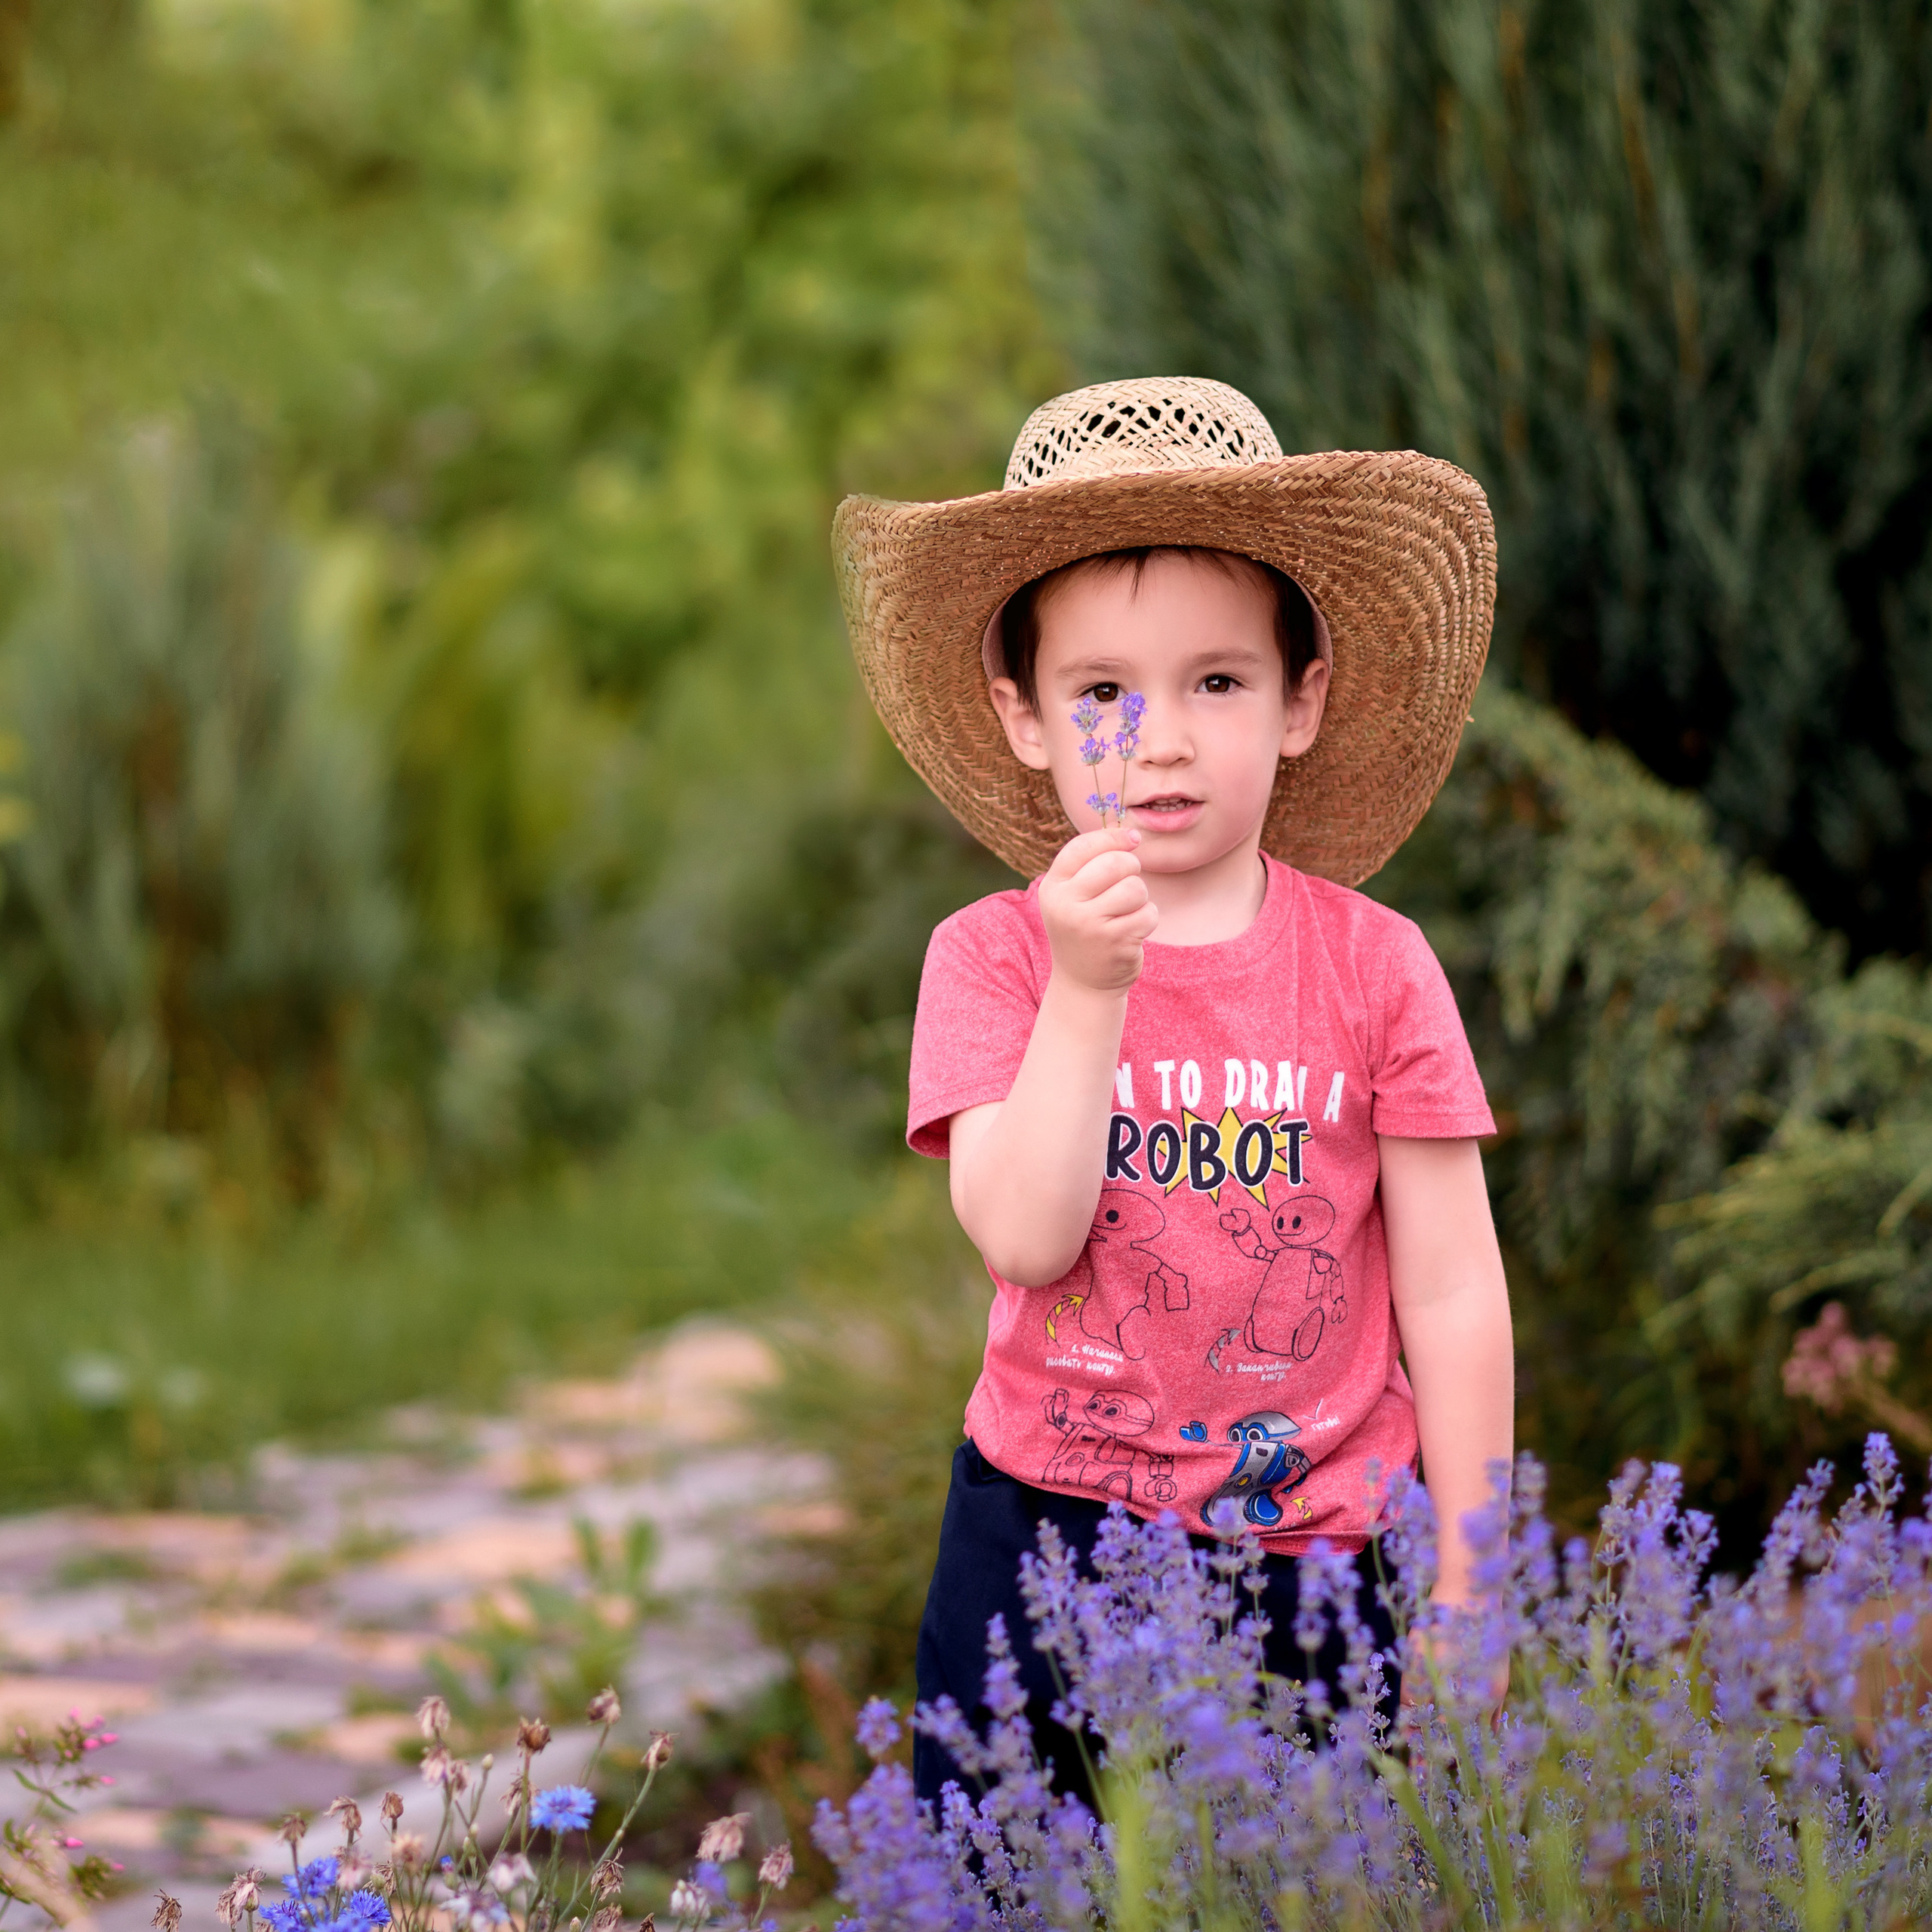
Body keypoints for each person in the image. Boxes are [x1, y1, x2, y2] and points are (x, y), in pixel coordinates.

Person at [832, 377, 1514, 1810]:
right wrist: (1090, 993)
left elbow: (1450, 1289)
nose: (1161, 738)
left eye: (1217, 680)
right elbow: (1025, 1239)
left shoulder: (1374, 968)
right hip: (1041, 1537)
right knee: (1016, 1876)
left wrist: (1473, 1572)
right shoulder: (995, 960)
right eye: (1103, 694)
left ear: (1300, 701)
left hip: (1316, 1552)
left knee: (1304, 1887)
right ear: (1024, 719)